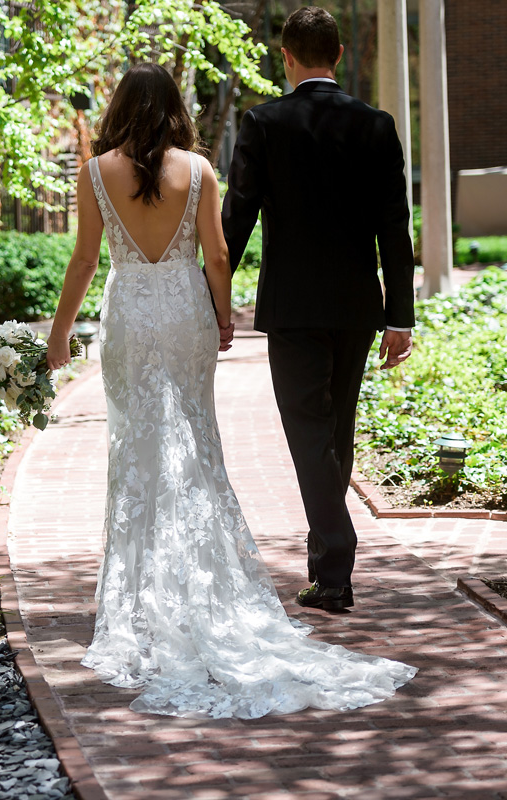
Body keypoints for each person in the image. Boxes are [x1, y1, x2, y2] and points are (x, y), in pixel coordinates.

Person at [44, 60, 415, 720]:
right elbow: (217, 255)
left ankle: (138, 601)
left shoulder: (96, 170)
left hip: (130, 313)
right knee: (195, 441)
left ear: (119, 107)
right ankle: (205, 587)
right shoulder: (199, 169)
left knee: (134, 455)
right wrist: (222, 315)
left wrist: (59, 334)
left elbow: (81, 258)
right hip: (185, 311)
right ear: (176, 109)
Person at [222, 6, 416, 612]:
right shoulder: (377, 126)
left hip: (294, 307)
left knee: (311, 433)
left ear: (286, 57)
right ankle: (329, 574)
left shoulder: (263, 123)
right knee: (336, 430)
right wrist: (400, 316)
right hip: (358, 307)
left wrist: (212, 299)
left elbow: (237, 221)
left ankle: (336, 552)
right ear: (337, 55)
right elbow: (395, 229)